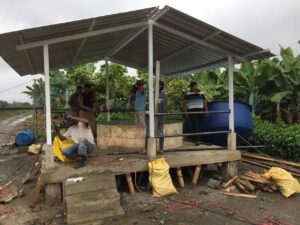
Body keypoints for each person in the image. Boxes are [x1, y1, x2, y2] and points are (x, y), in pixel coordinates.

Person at [157, 81, 167, 154]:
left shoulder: (163, 96)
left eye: (160, 86)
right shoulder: (153, 94)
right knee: (151, 133)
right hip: (156, 116)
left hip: (160, 116)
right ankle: (160, 149)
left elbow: (165, 108)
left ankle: (161, 148)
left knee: (160, 132)